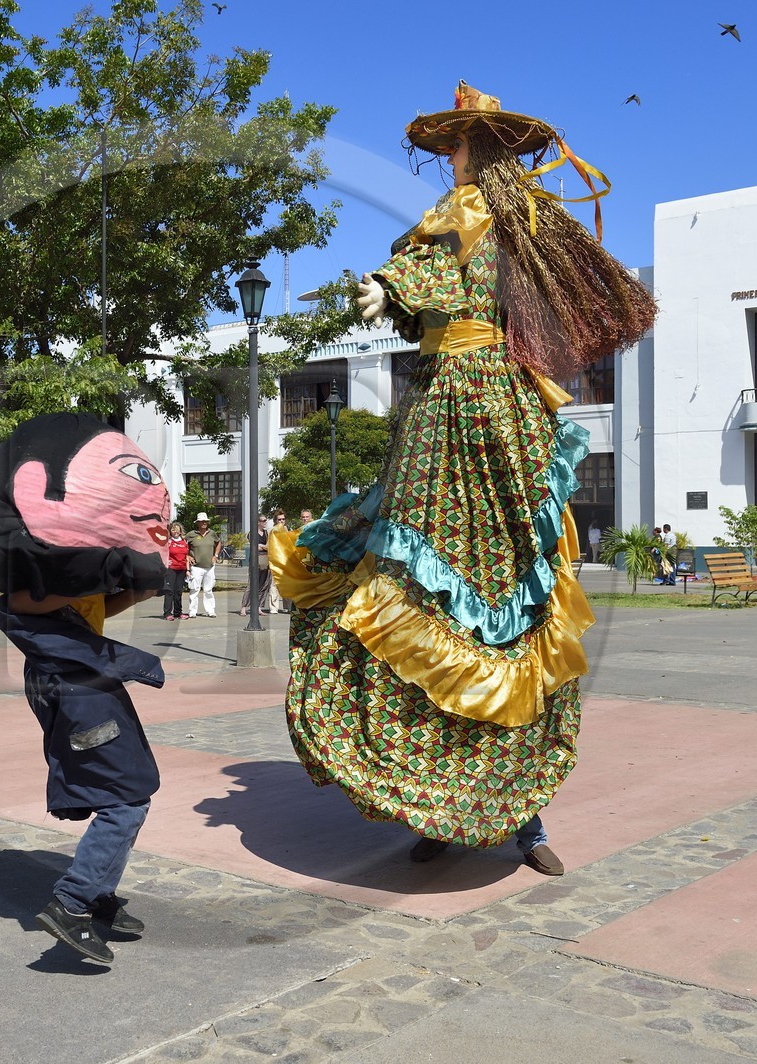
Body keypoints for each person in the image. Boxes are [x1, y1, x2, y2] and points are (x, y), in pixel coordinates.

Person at [274, 81, 654, 874]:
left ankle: (527, 822)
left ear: (483, 148)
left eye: (457, 144)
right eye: (448, 144)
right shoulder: (450, 223)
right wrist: (391, 289)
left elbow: (562, 296)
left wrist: (404, 289)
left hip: (497, 410)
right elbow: (423, 274)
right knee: (418, 594)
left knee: (514, 607)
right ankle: (441, 809)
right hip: (442, 408)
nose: (449, 157)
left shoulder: (523, 225)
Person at [0, 413, 170, 964]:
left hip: (86, 679)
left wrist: (137, 589)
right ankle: (73, 902)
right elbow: (24, 606)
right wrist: (101, 574)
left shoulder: (81, 568)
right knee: (126, 797)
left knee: (127, 787)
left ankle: (97, 894)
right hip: (71, 687)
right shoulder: (40, 575)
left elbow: (97, 608)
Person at [185, 513, 221, 618]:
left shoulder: (212, 533)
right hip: (196, 567)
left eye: (206, 521)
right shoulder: (191, 534)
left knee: (208, 589)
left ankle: (210, 610)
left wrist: (216, 555)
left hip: (210, 566)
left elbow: (218, 543)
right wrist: (187, 556)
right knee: (194, 589)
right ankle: (192, 611)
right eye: (202, 521)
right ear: (198, 523)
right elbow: (183, 545)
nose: (204, 523)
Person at [162, 520, 189, 620]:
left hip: (182, 569)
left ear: (180, 531)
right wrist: (165, 562)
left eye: (177, 530)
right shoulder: (168, 542)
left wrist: (188, 570)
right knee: (169, 591)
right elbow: (162, 553)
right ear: (170, 531)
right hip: (171, 569)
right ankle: (167, 613)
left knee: (178, 591)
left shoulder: (184, 542)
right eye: (173, 529)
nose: (175, 531)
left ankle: (178, 612)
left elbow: (187, 556)